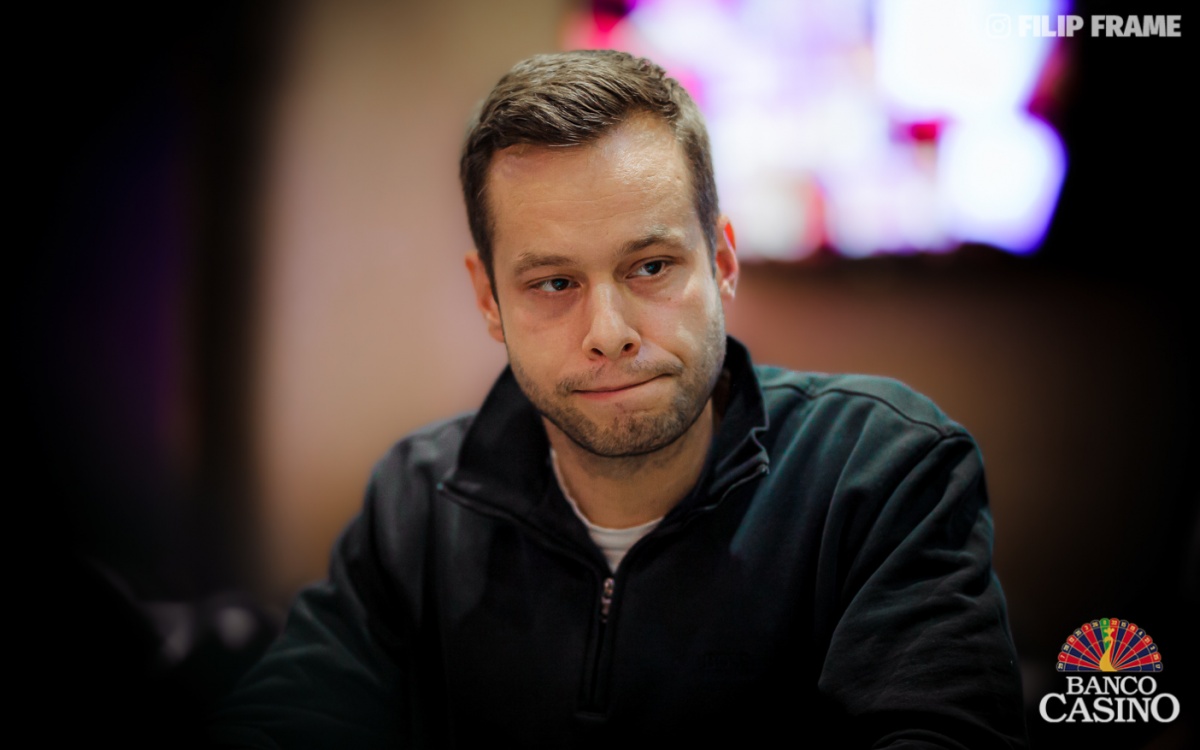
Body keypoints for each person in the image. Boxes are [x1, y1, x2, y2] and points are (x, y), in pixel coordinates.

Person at [212, 50, 1028, 748]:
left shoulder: (884, 475)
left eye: (651, 267)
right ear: (489, 300)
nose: (609, 333)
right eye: (553, 282)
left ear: (723, 261)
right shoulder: (416, 503)